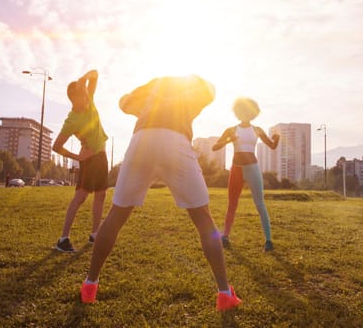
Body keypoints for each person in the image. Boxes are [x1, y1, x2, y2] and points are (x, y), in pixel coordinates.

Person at [80, 75, 242, 311]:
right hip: (174, 139)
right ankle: (225, 294)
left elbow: (123, 102)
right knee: (203, 219)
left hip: (141, 140)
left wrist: (150, 98)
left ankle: (89, 286)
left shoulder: (151, 88)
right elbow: (211, 90)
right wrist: (179, 99)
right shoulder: (193, 86)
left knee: (116, 214)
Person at [212, 97, 279, 251]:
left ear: (253, 113)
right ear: (237, 112)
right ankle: (225, 237)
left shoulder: (257, 130)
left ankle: (268, 241)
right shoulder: (231, 130)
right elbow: (215, 147)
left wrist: (277, 138)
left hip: (252, 169)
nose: (245, 114)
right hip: (236, 169)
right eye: (242, 111)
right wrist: (229, 140)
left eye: (248, 112)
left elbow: (272, 146)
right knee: (232, 204)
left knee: (260, 204)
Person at [52, 69, 109, 253]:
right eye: (83, 96)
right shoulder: (72, 120)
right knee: (81, 197)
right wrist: (78, 157)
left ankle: (95, 234)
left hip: (102, 157)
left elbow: (95, 74)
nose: (87, 98)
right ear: (74, 99)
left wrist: (83, 79)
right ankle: (63, 239)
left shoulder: (89, 100)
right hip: (90, 160)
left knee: (101, 195)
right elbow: (56, 146)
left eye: (86, 94)